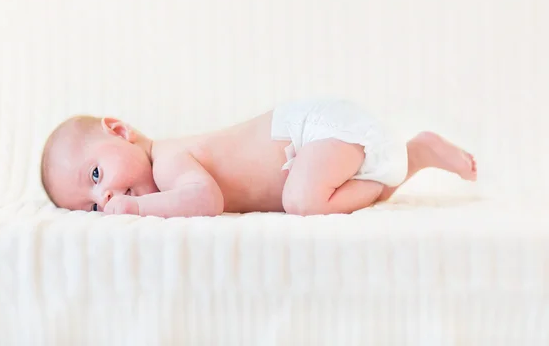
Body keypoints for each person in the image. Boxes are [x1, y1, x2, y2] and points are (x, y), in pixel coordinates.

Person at [41, 99, 477, 217]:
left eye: (96, 173)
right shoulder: (165, 168)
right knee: (320, 195)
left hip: (309, 132)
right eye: (94, 204)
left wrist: (135, 206)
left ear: (121, 132)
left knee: (303, 201)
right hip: (309, 148)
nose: (107, 195)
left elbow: (204, 201)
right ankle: (415, 156)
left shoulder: (168, 160)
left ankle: (398, 163)